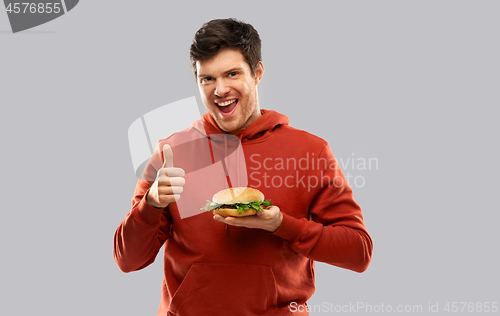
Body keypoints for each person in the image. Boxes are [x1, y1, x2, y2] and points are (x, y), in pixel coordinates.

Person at [114, 18, 373, 316]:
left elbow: (359, 252)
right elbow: (127, 260)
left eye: (232, 73)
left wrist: (281, 225)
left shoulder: (310, 151)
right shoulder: (171, 152)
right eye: (207, 79)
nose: (219, 89)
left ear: (257, 73)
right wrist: (152, 203)